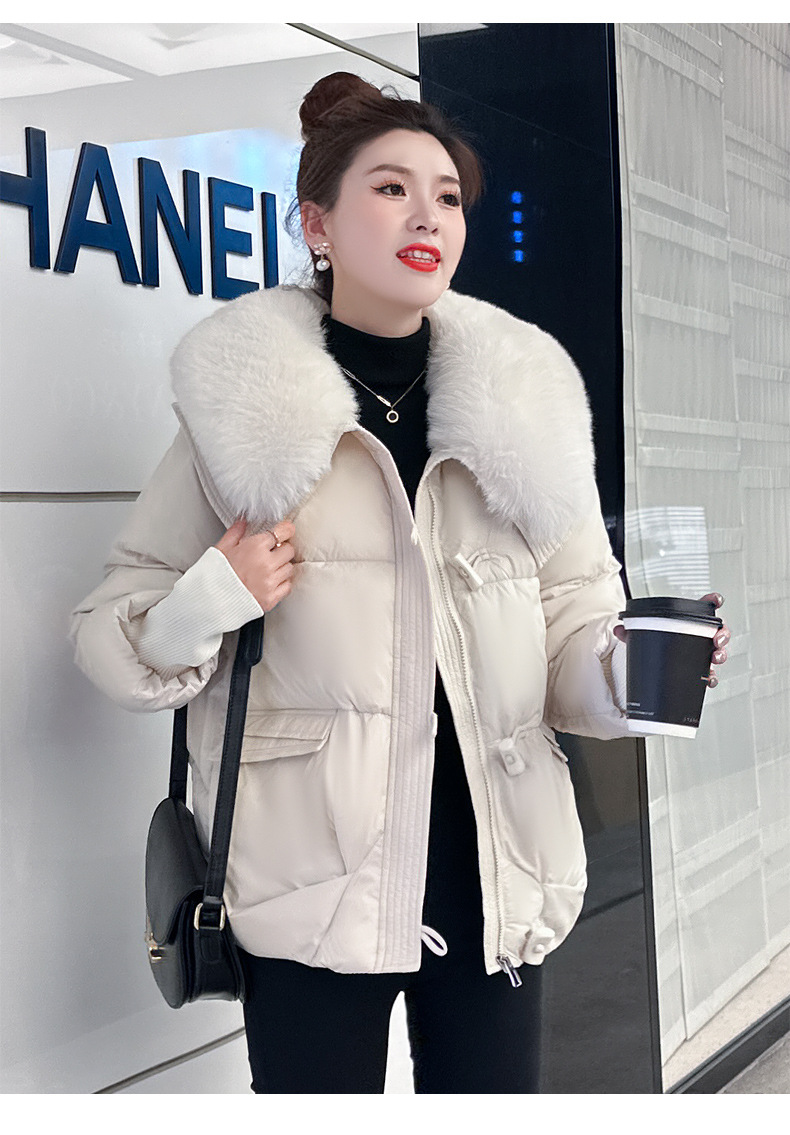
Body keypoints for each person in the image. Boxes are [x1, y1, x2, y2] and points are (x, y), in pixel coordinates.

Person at [69, 71, 730, 1094]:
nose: (428, 216)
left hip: (493, 873)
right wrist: (215, 593)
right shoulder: (245, 419)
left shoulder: (526, 415)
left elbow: (574, 631)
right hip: (312, 883)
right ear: (318, 224)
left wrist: (626, 666)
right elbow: (108, 633)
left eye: (448, 196)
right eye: (391, 189)